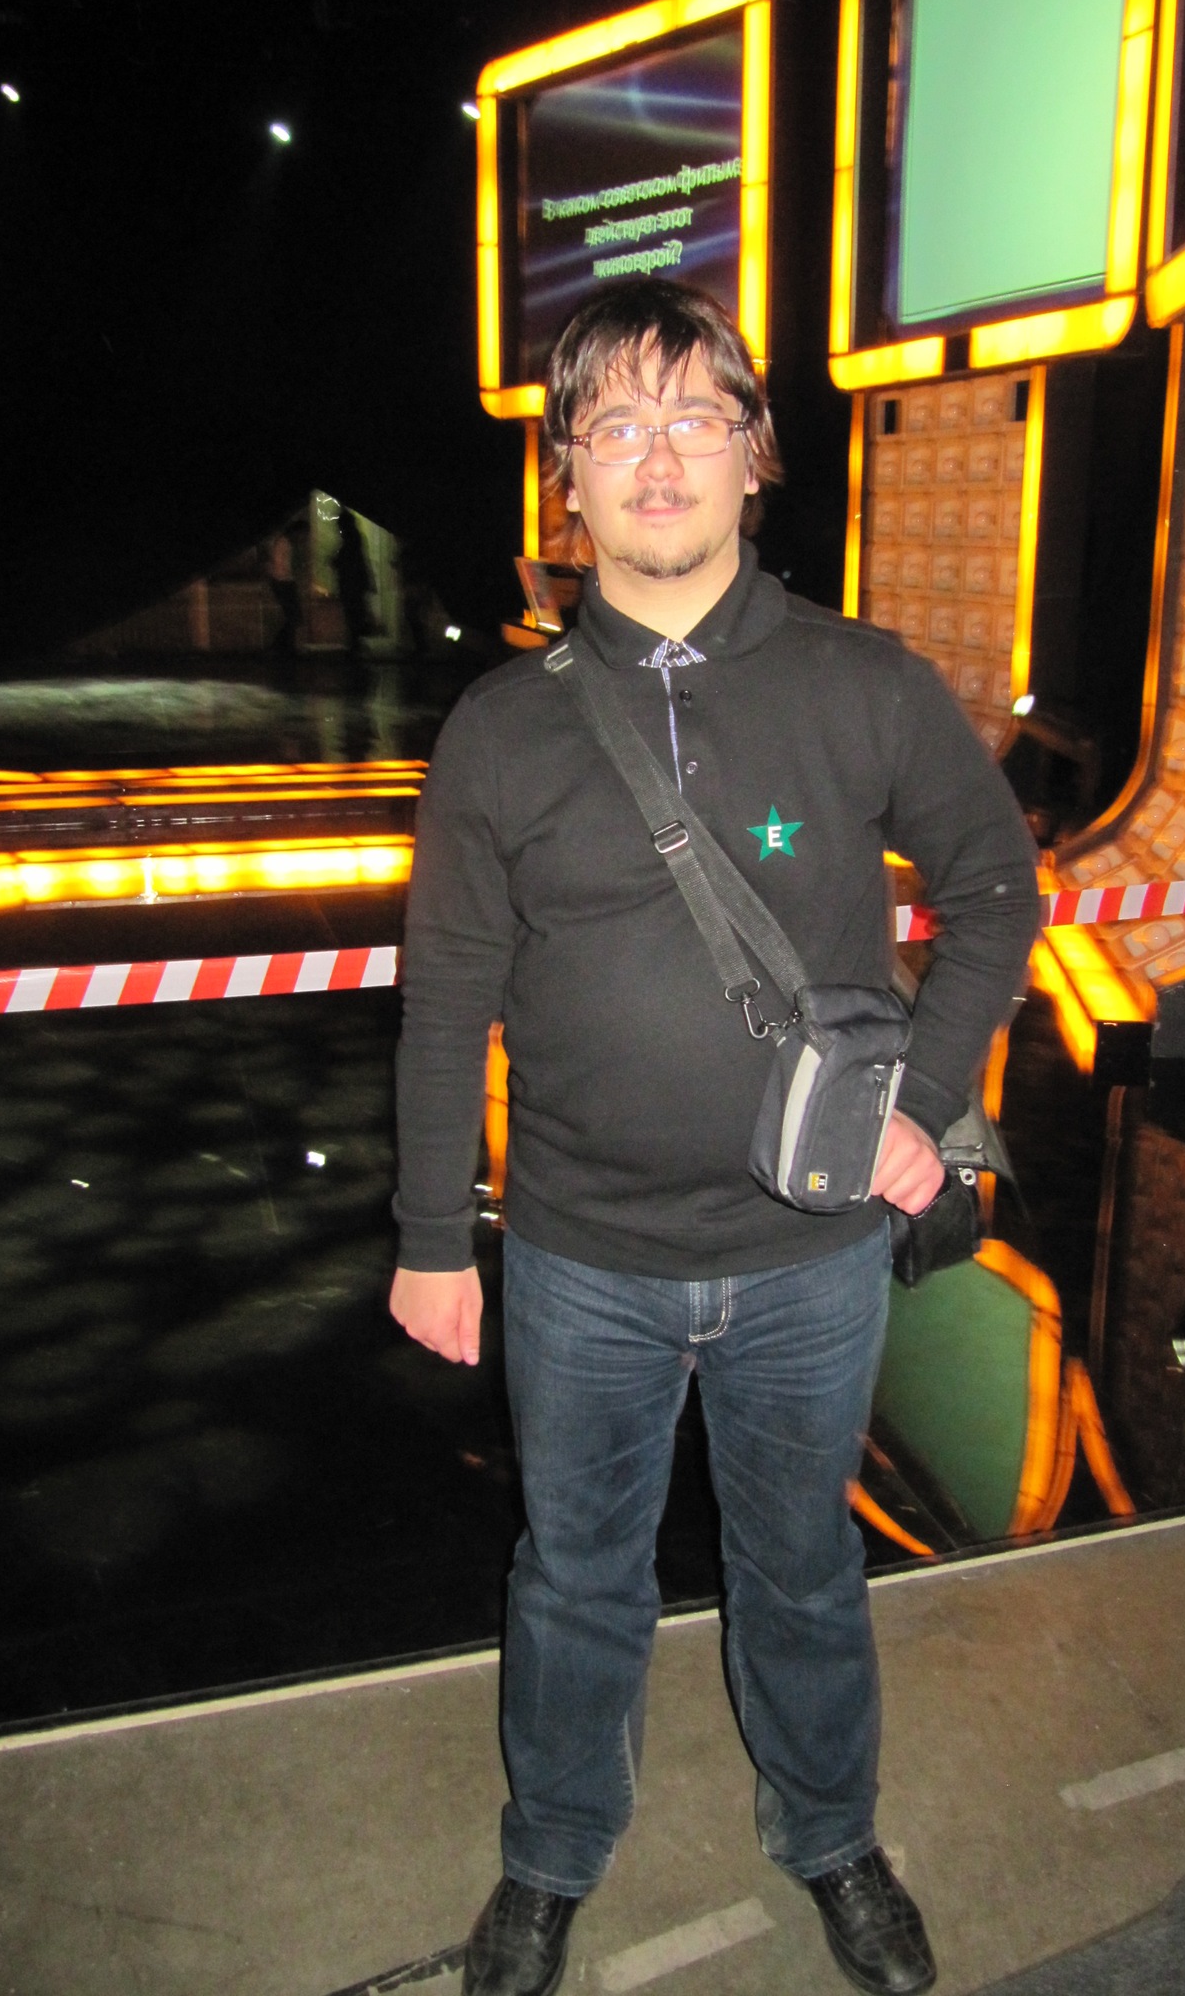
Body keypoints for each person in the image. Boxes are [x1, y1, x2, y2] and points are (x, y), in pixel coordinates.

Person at [389, 281, 1041, 1996]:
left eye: (693, 416)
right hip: (579, 1260)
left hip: (811, 1258)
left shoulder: (861, 681)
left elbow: (995, 890)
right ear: (569, 480)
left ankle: (832, 1838)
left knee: (805, 1567)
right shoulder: (502, 729)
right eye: (615, 423)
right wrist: (433, 1239)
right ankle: (549, 1861)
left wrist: (924, 1104)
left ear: (757, 454)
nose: (657, 455)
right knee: (573, 1578)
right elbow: (448, 998)